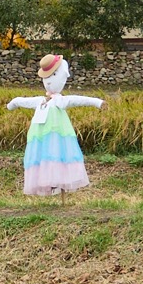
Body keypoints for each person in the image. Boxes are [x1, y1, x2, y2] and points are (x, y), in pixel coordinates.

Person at [9, 54, 103, 195]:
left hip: (57, 135)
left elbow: (77, 99)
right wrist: (14, 102)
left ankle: (58, 182)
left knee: (57, 156)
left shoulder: (60, 101)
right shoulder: (41, 101)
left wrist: (97, 102)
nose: (48, 81)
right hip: (40, 136)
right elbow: (23, 101)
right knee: (44, 158)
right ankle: (47, 182)